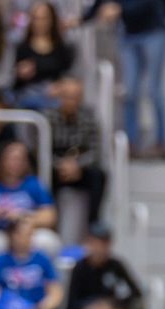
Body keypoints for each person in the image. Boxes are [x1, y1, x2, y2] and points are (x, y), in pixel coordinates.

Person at [94, 0, 165, 159]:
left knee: (154, 90)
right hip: (128, 35)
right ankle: (130, 143)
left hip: (154, 31)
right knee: (129, 91)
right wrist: (81, 18)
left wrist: (120, 9)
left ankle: (162, 142)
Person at [0, 142, 59, 260]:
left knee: (48, 240)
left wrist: (21, 216)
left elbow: (50, 216)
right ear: (1, 160)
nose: (16, 163)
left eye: (20, 159)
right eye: (12, 158)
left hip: (27, 234)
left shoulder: (34, 184)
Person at [48, 76, 106, 226]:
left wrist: (78, 165)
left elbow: (95, 152)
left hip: (80, 167)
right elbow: (40, 150)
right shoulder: (48, 117)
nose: (70, 101)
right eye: (66, 97)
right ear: (59, 97)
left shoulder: (89, 118)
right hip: (55, 167)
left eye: (74, 97)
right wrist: (60, 165)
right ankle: (50, 223)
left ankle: (93, 225)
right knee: (43, 176)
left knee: (98, 175)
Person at [14, 2, 76, 108]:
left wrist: (59, 87)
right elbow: (11, 80)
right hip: (27, 94)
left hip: (55, 94)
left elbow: (69, 74)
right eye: (36, 18)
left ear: (52, 20)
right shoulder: (21, 47)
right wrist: (19, 73)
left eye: (44, 18)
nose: (40, 23)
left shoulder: (63, 48)